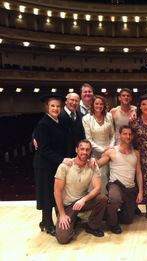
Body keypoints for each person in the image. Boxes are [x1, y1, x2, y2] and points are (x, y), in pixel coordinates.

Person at [54, 140, 108, 244]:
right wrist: (62, 214)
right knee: (63, 238)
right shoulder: (65, 166)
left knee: (102, 199)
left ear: (90, 151)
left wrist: (84, 199)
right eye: (82, 149)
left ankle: (92, 226)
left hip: (81, 202)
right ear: (76, 150)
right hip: (67, 206)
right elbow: (57, 191)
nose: (84, 152)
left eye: (87, 150)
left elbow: (97, 188)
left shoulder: (93, 166)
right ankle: (71, 220)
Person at [97, 125, 143, 234]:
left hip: (130, 188)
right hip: (116, 184)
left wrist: (140, 192)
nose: (128, 136)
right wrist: (91, 161)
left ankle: (107, 214)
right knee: (115, 199)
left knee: (128, 220)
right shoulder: (112, 151)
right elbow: (99, 163)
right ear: (119, 135)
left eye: (130, 134)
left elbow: (139, 173)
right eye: (125, 134)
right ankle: (113, 224)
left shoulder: (136, 153)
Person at [33, 93, 67, 236]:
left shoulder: (58, 121)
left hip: (53, 164)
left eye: (58, 106)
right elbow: (44, 149)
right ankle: (48, 224)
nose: (55, 108)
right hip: (45, 165)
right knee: (47, 195)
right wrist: (62, 160)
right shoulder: (43, 124)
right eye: (53, 106)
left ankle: (43, 222)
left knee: (53, 194)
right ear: (47, 107)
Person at [82, 95, 115, 194]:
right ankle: (99, 203)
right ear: (92, 104)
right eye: (97, 103)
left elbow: (113, 134)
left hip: (110, 151)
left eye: (101, 104)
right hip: (95, 152)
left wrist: (110, 148)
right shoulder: (86, 119)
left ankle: (111, 204)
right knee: (100, 177)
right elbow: (89, 139)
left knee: (111, 177)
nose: (99, 106)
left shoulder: (109, 116)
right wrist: (103, 150)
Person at [60, 92, 85, 157]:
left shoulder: (82, 116)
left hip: (78, 155)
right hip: (62, 155)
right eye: (72, 100)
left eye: (76, 101)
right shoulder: (58, 115)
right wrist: (35, 137)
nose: (74, 103)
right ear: (66, 101)